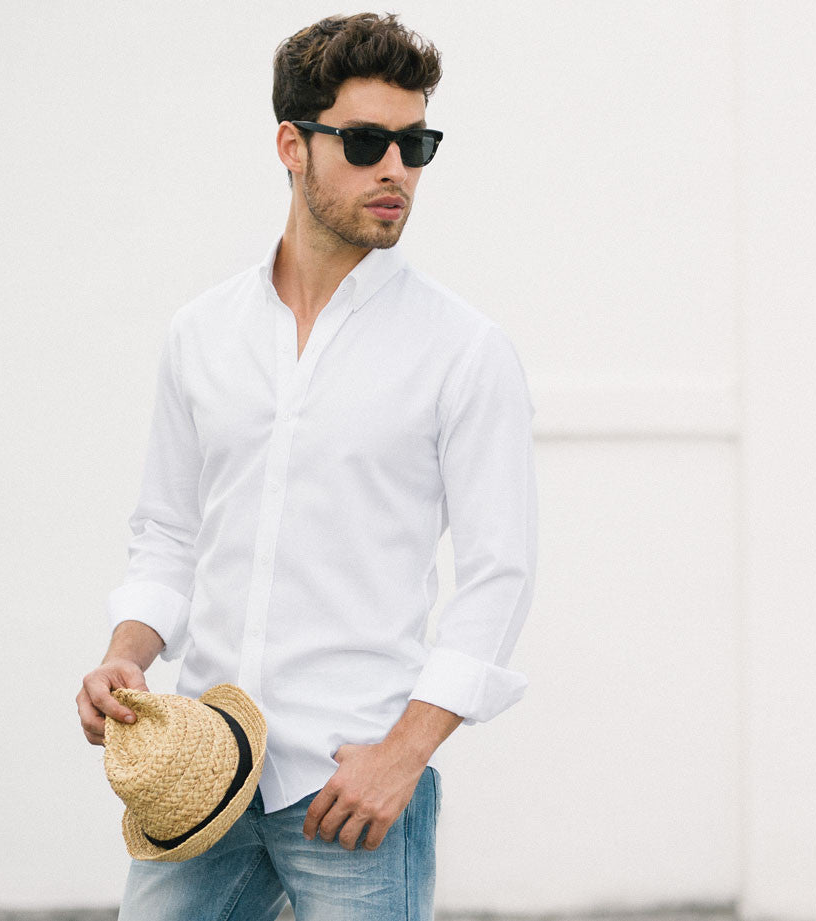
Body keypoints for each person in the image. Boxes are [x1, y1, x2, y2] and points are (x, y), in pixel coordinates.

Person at [74, 13, 537, 921]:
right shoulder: (202, 334)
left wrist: (402, 756)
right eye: (367, 142)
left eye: (416, 144)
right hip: (202, 774)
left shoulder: (463, 350)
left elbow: (499, 576)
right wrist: (127, 654)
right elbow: (167, 532)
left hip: (351, 787)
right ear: (293, 143)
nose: (396, 170)